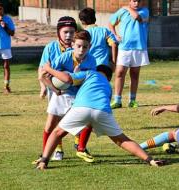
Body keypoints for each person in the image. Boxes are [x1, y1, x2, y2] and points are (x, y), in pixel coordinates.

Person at [36, 64, 167, 170]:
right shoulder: (108, 87)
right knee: (122, 140)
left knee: (57, 133)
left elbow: (67, 78)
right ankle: (150, 160)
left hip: (81, 108)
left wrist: (49, 69)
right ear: (109, 78)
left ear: (96, 70)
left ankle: (44, 161)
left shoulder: (90, 73)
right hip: (102, 111)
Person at [35, 30, 97, 163]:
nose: (81, 50)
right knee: (51, 124)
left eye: (85, 47)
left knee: (89, 119)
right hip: (61, 94)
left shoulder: (92, 60)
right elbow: (43, 75)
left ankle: (81, 149)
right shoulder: (64, 57)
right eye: (79, 46)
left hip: (79, 95)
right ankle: (44, 154)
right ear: (73, 45)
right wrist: (54, 89)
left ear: (89, 47)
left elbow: (90, 80)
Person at [109, 0, 150, 109]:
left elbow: (137, 17)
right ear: (130, 1)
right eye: (134, 1)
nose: (137, 3)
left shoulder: (145, 11)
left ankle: (132, 100)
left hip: (139, 47)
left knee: (135, 74)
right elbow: (111, 23)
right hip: (124, 47)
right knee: (119, 73)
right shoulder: (122, 11)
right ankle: (117, 100)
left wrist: (127, 8)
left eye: (139, 1)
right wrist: (115, 35)